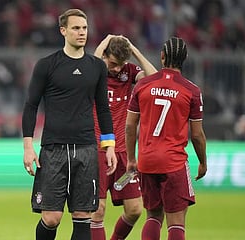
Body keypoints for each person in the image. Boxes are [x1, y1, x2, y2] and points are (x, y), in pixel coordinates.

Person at [22, 9, 117, 240]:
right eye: (76, 28)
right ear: (63, 31)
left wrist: (110, 145)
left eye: (84, 28)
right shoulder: (47, 65)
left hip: (86, 148)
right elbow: (31, 105)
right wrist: (28, 146)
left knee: (83, 216)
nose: (81, 32)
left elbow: (103, 109)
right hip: (53, 148)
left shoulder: (97, 67)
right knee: (51, 217)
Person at [125, 37, 207, 240]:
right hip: (173, 162)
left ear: (162, 57)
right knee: (176, 222)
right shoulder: (192, 91)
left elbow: (129, 125)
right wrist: (203, 162)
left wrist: (131, 158)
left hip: (146, 160)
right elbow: (196, 135)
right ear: (185, 59)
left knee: (153, 216)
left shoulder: (143, 84)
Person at [91, 35, 157, 240]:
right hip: (98, 151)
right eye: (113, 63)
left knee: (135, 209)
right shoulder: (96, 71)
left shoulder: (128, 72)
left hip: (124, 155)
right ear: (104, 56)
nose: (117, 69)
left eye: (121, 64)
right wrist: (106, 40)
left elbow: (154, 77)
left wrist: (134, 51)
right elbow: (93, 60)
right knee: (98, 210)